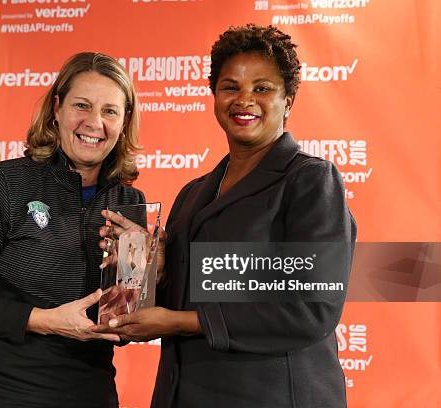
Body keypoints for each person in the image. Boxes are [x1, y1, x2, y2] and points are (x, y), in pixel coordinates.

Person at [93, 24, 357, 408]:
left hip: (274, 395)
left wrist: (180, 323)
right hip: (186, 392)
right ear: (214, 95)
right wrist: (154, 272)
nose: (244, 99)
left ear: (289, 99)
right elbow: (187, 297)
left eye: (262, 88)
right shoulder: (193, 193)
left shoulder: (310, 181)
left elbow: (311, 308)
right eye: (230, 87)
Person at [0, 52, 145, 408]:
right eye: (82, 106)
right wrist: (43, 321)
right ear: (57, 109)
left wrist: (145, 271)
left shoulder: (129, 202)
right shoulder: (5, 183)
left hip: (88, 396)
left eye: (109, 111)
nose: (94, 122)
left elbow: (123, 323)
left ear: (124, 121)